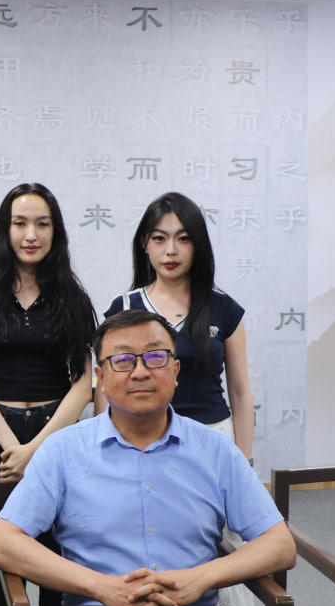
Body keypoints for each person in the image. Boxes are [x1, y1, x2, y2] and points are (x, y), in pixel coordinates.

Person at [0, 310, 295, 606]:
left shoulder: (215, 449)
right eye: (122, 361)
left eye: (155, 357)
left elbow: (280, 545)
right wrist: (102, 587)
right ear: (101, 378)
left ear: (175, 370)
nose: (140, 372)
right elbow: (2, 544)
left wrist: (200, 578)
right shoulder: (63, 450)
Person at [0, 182, 96, 606]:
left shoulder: (73, 298)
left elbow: (83, 384)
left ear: (56, 232)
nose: (31, 234)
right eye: (20, 223)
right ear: (5, 230)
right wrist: (11, 447)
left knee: (58, 553)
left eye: (42, 224)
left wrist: (36, 449)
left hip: (56, 436)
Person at [100, 192, 254, 460]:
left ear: (198, 245)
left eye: (183, 239)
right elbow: (108, 388)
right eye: (159, 238)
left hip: (211, 439)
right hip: (139, 440)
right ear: (144, 244)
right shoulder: (123, 308)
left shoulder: (224, 309)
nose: (171, 250)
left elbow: (240, 392)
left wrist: (245, 460)